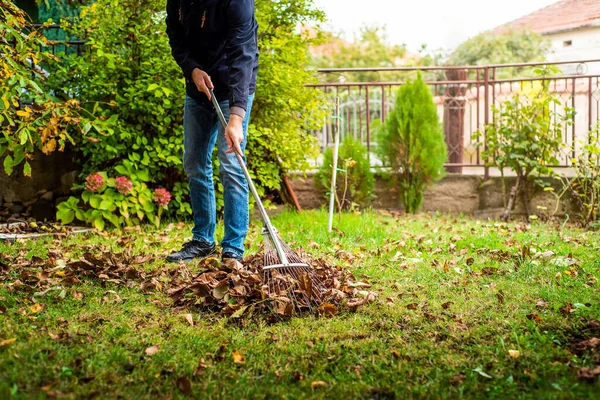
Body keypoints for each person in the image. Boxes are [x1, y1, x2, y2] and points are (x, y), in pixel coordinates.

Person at [165, 0, 259, 262]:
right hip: (198, 87)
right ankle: (203, 239)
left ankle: (233, 248)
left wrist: (237, 116)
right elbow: (175, 35)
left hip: (234, 86)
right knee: (194, 162)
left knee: (231, 163)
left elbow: (243, 54)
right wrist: (192, 70)